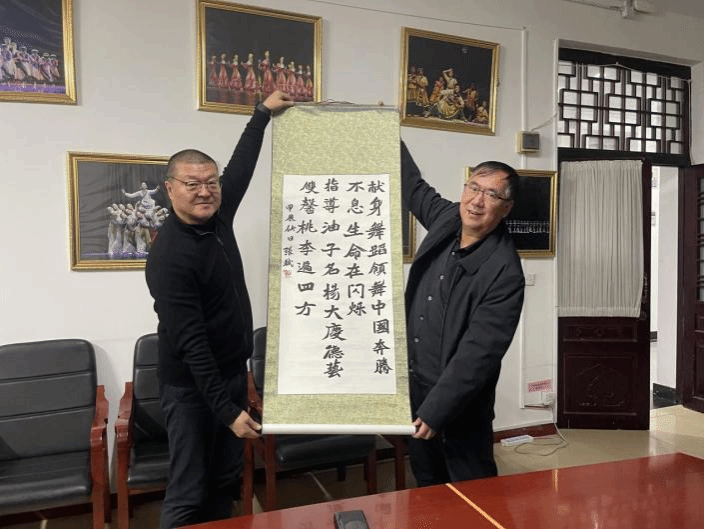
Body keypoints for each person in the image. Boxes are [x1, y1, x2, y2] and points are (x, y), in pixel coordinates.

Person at [145, 90, 293, 529]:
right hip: (191, 388)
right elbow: (191, 344)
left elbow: (241, 167)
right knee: (189, 489)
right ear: (170, 188)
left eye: (210, 182)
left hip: (229, 377)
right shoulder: (169, 255)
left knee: (225, 480)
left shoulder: (218, 218)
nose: (205, 191)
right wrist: (228, 412)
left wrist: (262, 114)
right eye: (192, 184)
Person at [401, 141, 525, 487]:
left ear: (506, 208)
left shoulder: (504, 272)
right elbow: (413, 187)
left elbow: (479, 353)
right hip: (415, 387)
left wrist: (436, 410)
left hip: (458, 405)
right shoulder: (447, 219)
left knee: (472, 488)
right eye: (473, 187)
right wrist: (384, 129)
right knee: (427, 484)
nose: (476, 201)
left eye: (491, 194)